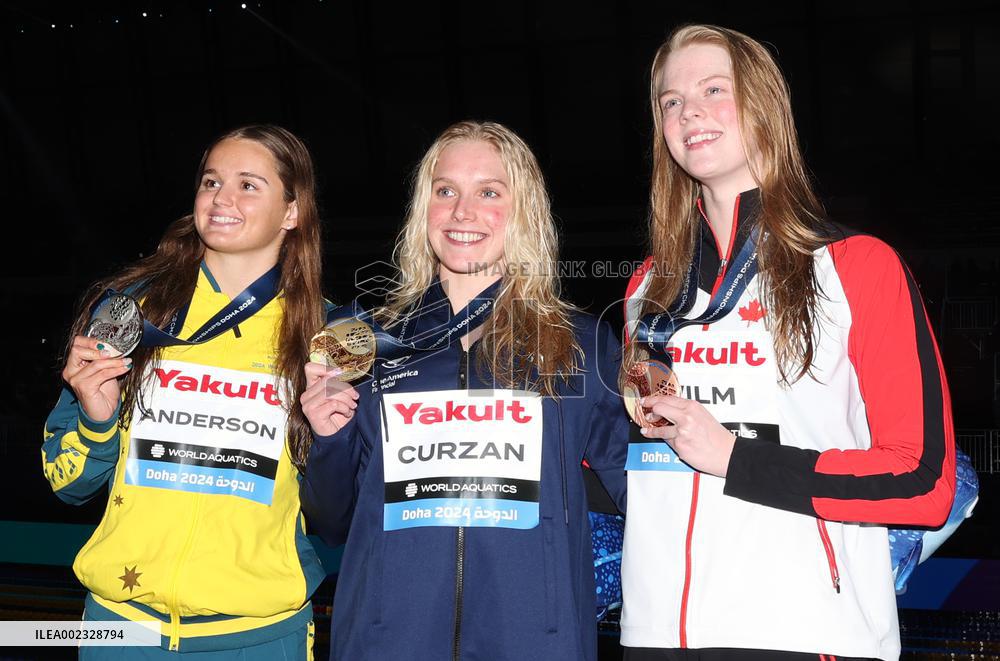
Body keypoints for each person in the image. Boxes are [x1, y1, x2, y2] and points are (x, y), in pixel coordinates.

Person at [619, 25, 955, 661]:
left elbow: (922, 480)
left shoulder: (857, 266)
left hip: (804, 630)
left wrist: (736, 458)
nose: (688, 111)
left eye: (714, 90)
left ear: (764, 106)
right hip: (654, 632)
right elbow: (639, 451)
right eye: (671, 100)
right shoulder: (647, 286)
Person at [299, 120, 628, 661]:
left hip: (534, 645)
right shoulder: (365, 340)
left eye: (489, 192)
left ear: (523, 210)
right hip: (388, 643)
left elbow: (644, 495)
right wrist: (328, 437)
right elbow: (330, 521)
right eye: (445, 190)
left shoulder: (581, 344)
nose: (462, 212)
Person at [42, 125, 327, 658]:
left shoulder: (323, 336)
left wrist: (333, 439)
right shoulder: (130, 312)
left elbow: (339, 506)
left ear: (292, 211)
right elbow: (68, 484)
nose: (221, 198)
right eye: (211, 181)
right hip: (119, 629)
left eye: (248, 185)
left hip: (257, 635)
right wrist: (96, 422)